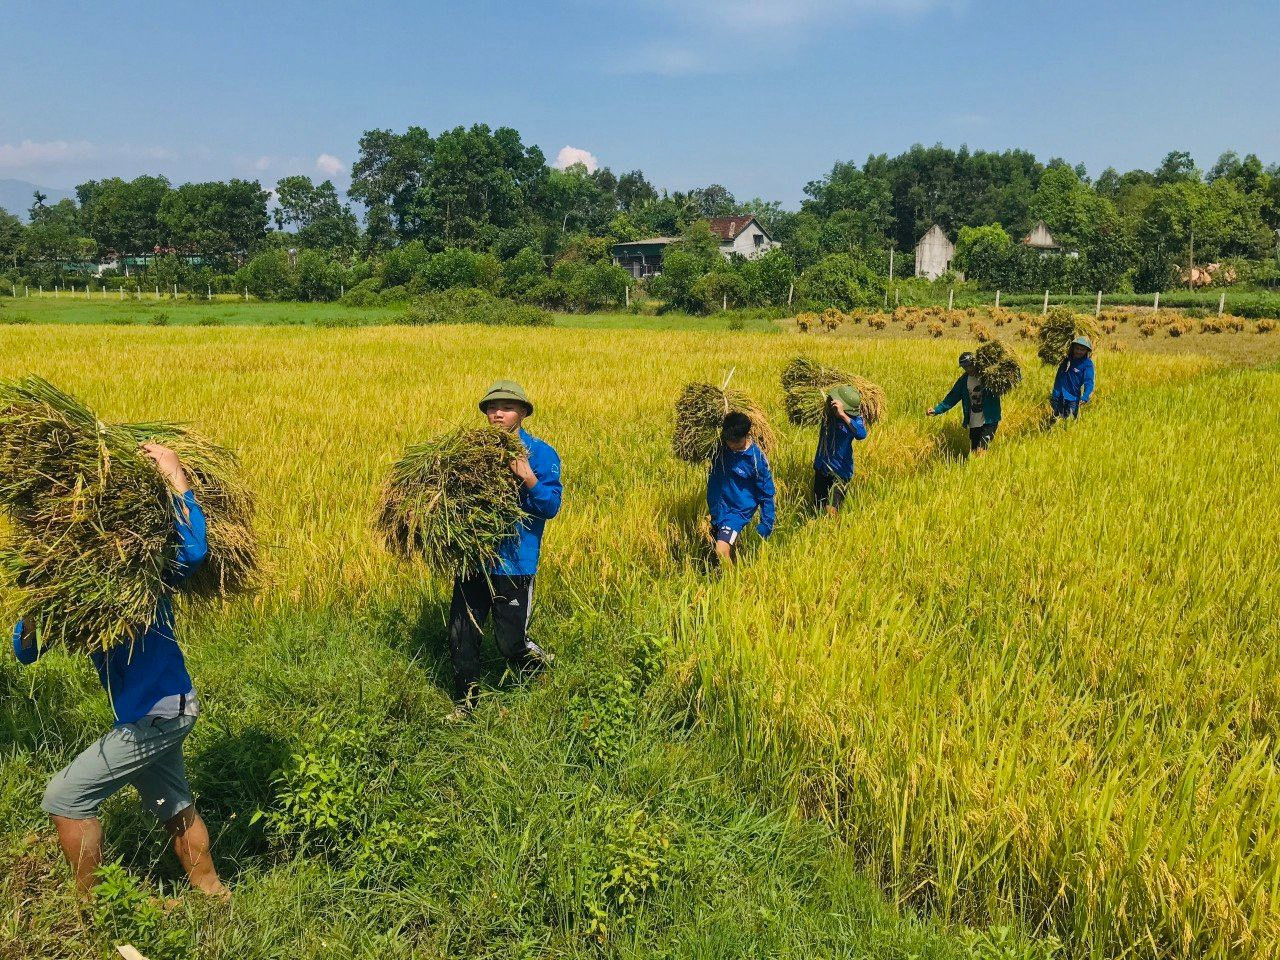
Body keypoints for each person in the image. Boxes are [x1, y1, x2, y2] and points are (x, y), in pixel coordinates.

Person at [12, 444, 227, 900]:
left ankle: (96, 913)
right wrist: (37, 605)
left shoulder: (141, 570)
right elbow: (27, 651)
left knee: (65, 798)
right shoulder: (80, 589)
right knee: (176, 808)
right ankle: (215, 897)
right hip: (147, 715)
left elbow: (193, 553)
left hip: (161, 711)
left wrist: (174, 474)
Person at [448, 381, 562, 716]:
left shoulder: (540, 453)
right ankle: (466, 704)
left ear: (524, 413)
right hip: (474, 557)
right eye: (492, 407)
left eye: (508, 407)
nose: (498, 413)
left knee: (510, 642)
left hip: (514, 562)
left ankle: (538, 668)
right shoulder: (470, 452)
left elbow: (551, 506)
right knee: (461, 632)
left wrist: (529, 479)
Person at [707, 411, 776, 566]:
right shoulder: (720, 448)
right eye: (729, 440)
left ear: (746, 435)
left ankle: (732, 585)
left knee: (721, 550)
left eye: (736, 441)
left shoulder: (756, 460)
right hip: (718, 508)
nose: (731, 445)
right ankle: (734, 573)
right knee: (724, 552)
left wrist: (767, 522)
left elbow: (767, 493)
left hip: (736, 512)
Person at [926, 351, 1002, 457]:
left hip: (989, 419)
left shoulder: (989, 375)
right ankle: (976, 471)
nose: (968, 369)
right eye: (965, 367)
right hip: (974, 421)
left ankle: (983, 469)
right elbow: (952, 397)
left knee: (981, 451)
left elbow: (1007, 376)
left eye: (970, 365)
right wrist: (937, 410)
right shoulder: (964, 380)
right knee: (974, 452)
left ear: (975, 363)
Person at [812, 385, 868, 516]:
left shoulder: (855, 419)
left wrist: (842, 415)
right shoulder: (826, 414)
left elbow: (861, 434)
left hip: (840, 472)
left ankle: (837, 533)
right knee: (818, 507)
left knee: (831, 510)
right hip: (822, 467)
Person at [1050, 335, 1095, 420]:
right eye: (1077, 348)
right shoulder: (1066, 360)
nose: (1079, 351)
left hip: (1073, 399)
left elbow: (1089, 382)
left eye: (1082, 350)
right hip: (1058, 395)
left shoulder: (1087, 364)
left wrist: (1085, 395)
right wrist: (1055, 392)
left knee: (1069, 423)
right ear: (1073, 348)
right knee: (1054, 420)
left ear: (1086, 351)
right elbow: (1058, 375)